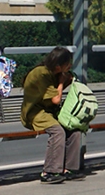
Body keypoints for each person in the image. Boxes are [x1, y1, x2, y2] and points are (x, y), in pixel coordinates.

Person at [20, 47, 84, 183]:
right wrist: (61, 82)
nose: (70, 66)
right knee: (58, 131)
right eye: (68, 63)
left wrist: (67, 79)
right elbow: (55, 100)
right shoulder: (41, 74)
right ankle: (49, 171)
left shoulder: (55, 73)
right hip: (35, 112)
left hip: (50, 112)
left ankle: (69, 169)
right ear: (58, 65)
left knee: (74, 129)